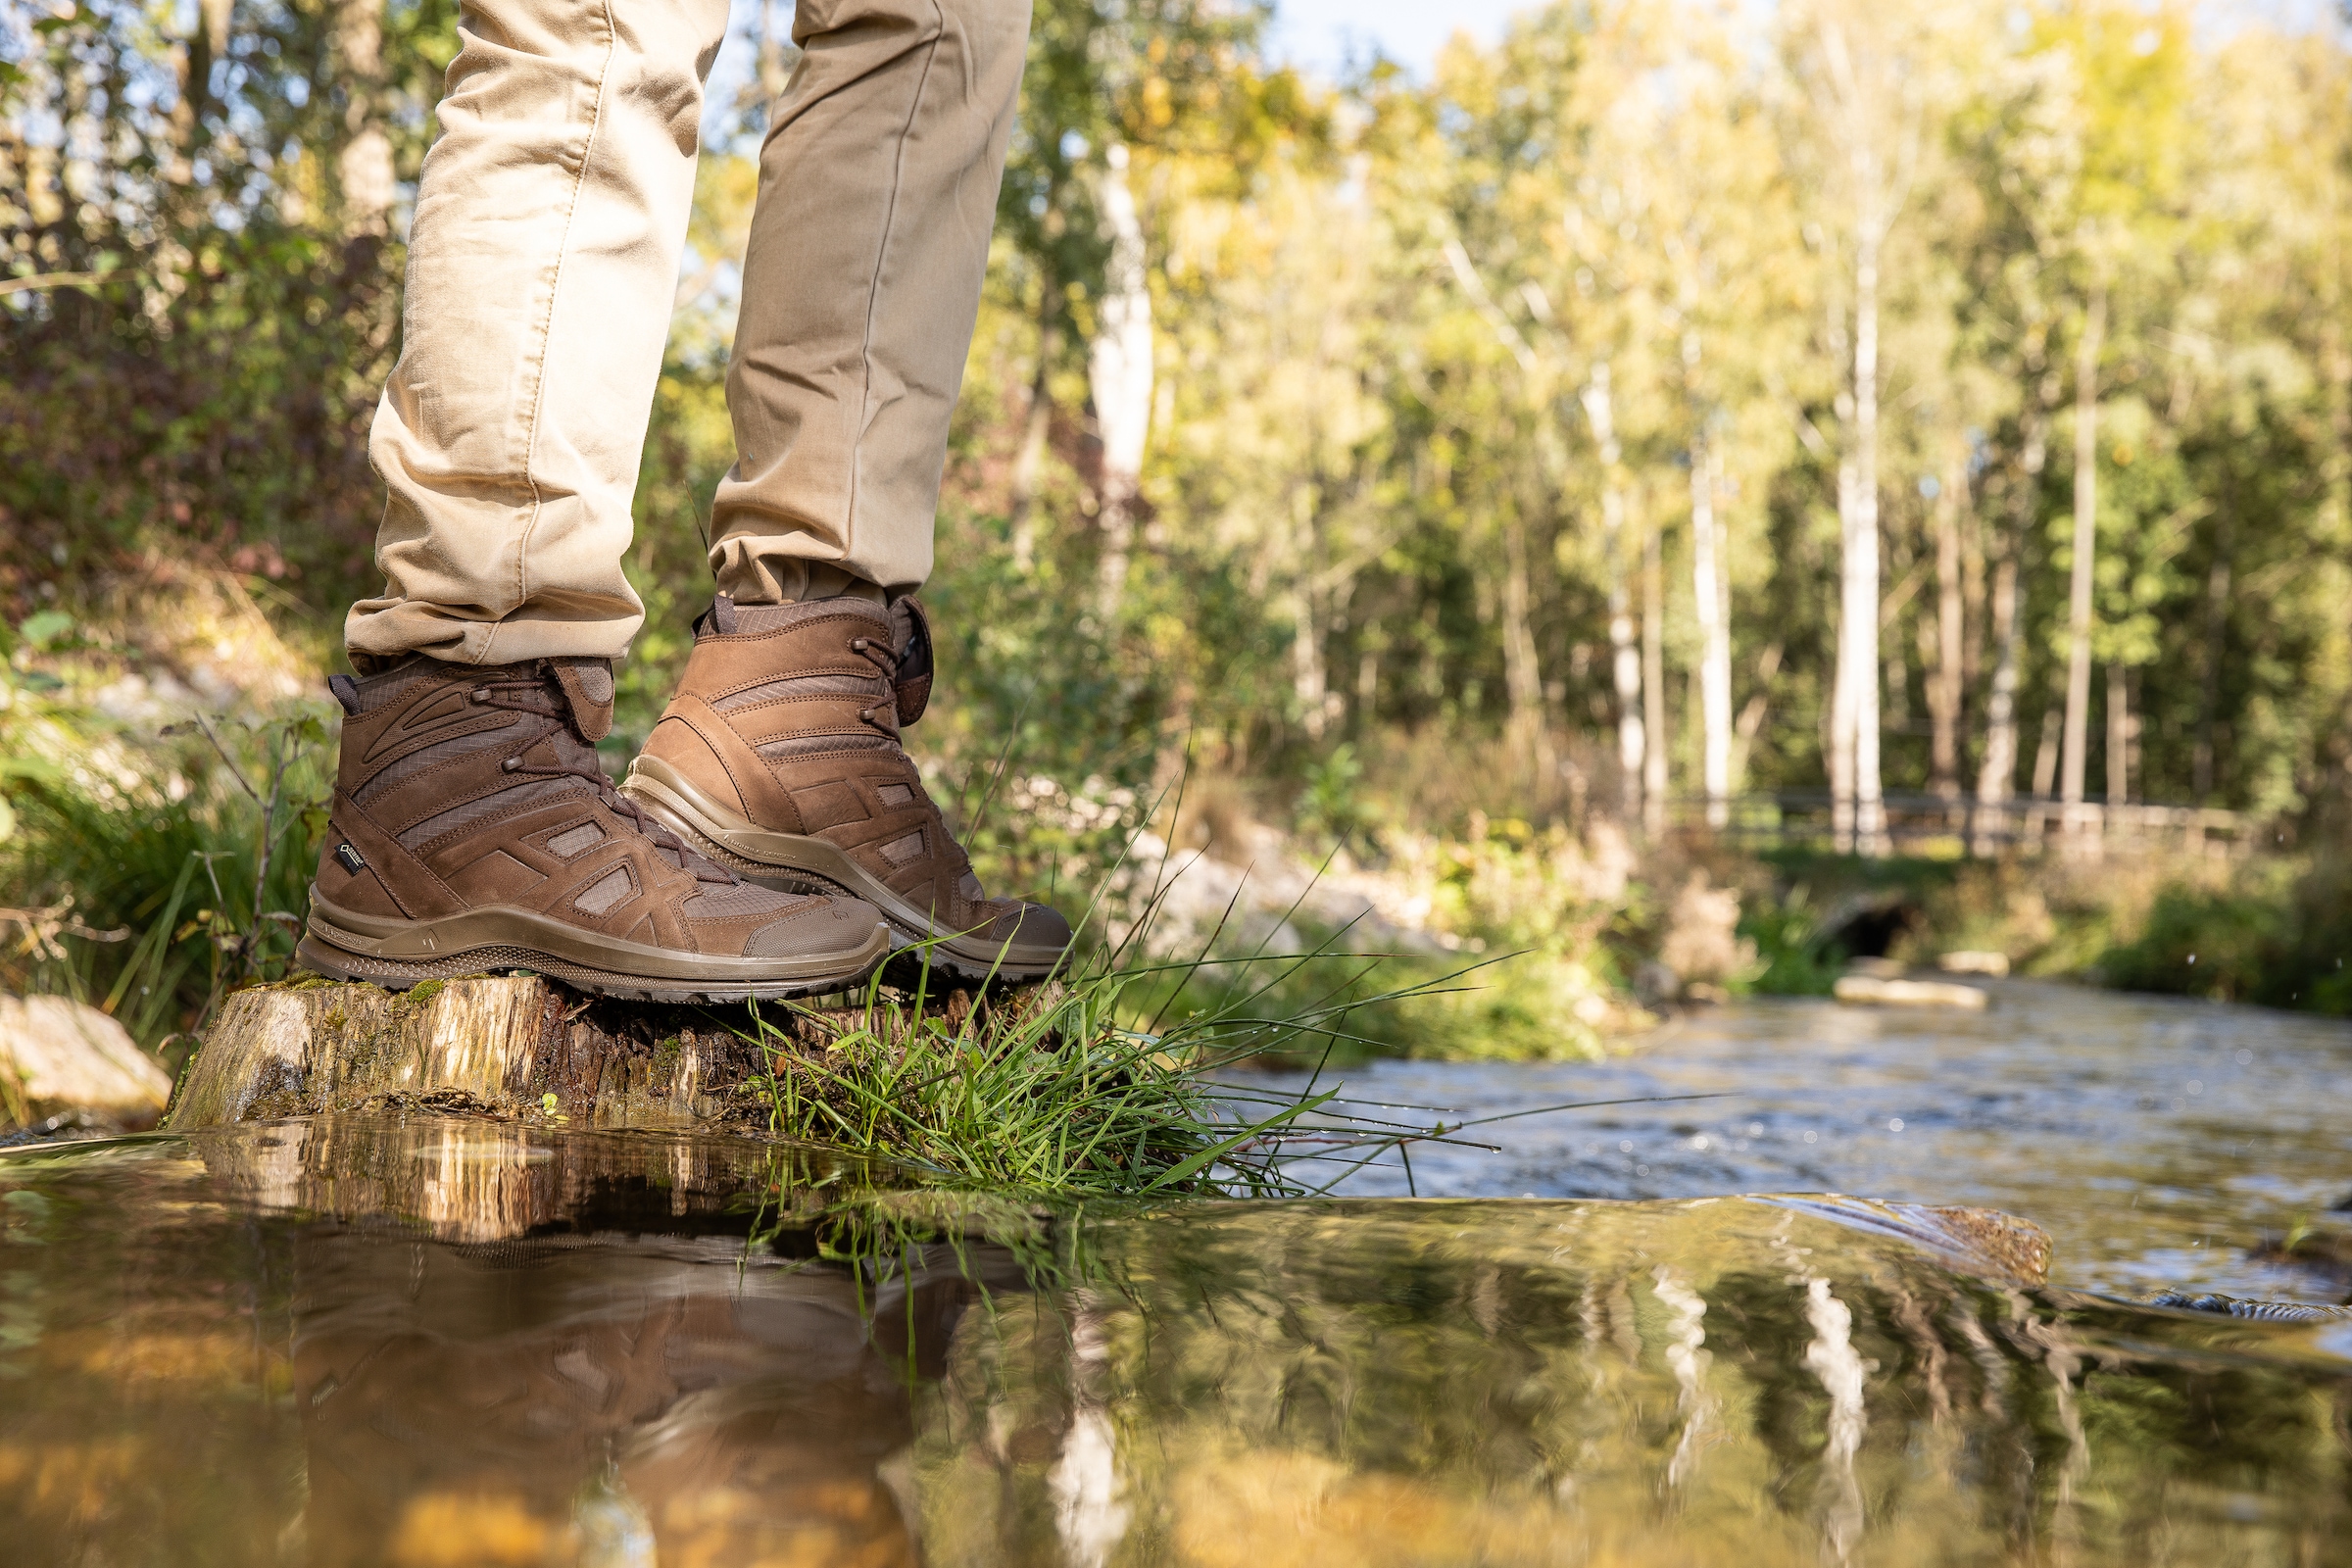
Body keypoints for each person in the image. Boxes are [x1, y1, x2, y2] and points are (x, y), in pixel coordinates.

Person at [295, 0, 1071, 1004]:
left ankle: (801, 693)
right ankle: (468, 719)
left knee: (933, 26)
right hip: (462, 703)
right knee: (608, 20)